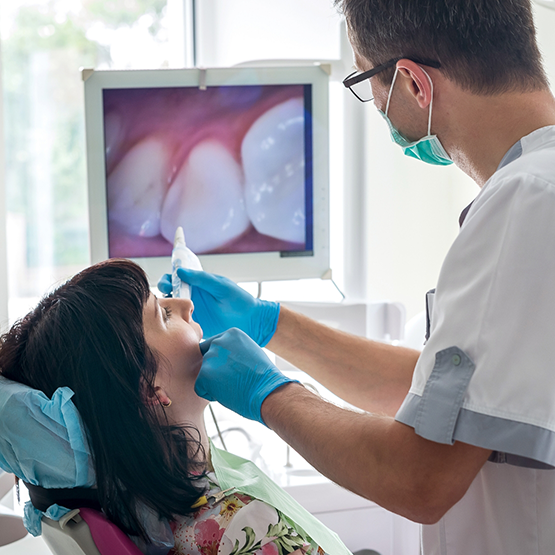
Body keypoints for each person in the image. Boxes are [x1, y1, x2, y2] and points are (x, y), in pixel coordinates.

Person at [158, 1, 555, 553]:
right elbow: (447, 402)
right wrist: (270, 325)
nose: (374, 104)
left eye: (366, 80)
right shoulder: (536, 190)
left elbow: (423, 476)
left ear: (414, 83)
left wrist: (270, 393)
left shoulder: (527, 204)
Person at [0, 258, 349, 555]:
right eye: (164, 314)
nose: (187, 306)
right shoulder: (241, 524)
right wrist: (275, 393)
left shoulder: (154, 507)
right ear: (150, 389)